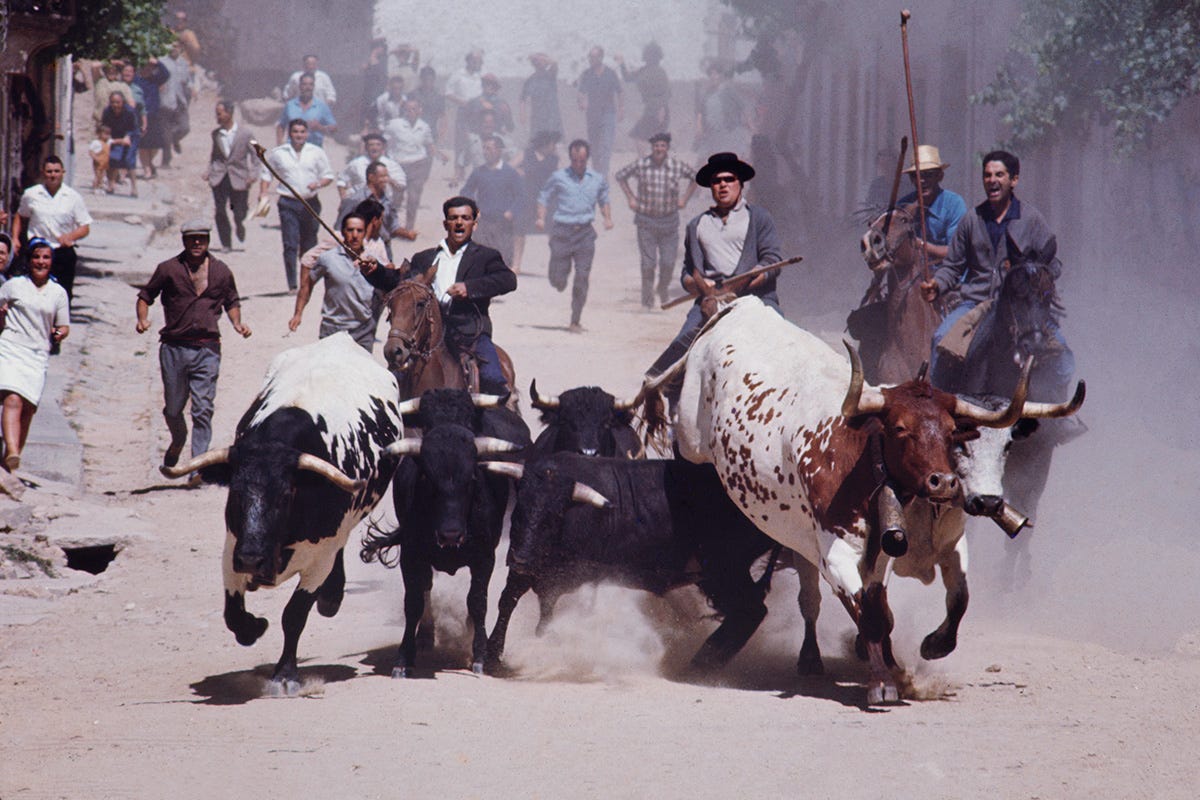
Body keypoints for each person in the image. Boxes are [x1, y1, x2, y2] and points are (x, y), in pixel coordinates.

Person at [920, 150, 1072, 398]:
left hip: (1021, 306)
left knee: (1062, 354)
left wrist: (1035, 274)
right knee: (939, 340)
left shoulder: (1031, 219)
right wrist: (937, 285)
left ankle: (1059, 413)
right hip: (975, 303)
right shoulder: (972, 219)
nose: (992, 180)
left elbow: (1054, 265)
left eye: (999, 175)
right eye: (987, 175)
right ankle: (940, 407)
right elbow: (952, 266)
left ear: (1014, 180)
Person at [645, 152, 783, 377]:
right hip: (709, 302)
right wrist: (700, 286)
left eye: (729, 179)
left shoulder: (759, 218)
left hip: (756, 299)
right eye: (717, 181)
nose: (723, 185)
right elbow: (688, 273)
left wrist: (746, 281)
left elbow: (772, 262)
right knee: (681, 349)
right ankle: (660, 401)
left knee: (784, 341)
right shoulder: (697, 225)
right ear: (710, 187)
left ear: (741, 184)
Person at [362, 196, 516, 397]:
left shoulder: (485, 256)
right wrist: (376, 271)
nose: (459, 222)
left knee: (493, 379)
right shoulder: (424, 258)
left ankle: (498, 422)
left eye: (465, 218)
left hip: (470, 334)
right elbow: (400, 283)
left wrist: (469, 288)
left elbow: (508, 279)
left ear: (474, 224)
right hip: (427, 334)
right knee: (393, 383)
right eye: (453, 218)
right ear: (446, 223)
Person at [135, 221, 251, 473]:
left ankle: (197, 467)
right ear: (184, 241)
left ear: (208, 240)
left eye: (201, 238)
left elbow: (232, 300)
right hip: (174, 349)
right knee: (174, 407)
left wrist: (237, 323)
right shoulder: (168, 269)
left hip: (207, 349)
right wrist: (142, 319)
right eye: (192, 239)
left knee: (203, 408)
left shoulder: (221, 271)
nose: (197, 243)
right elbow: (145, 296)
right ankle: (178, 440)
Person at [0, 239, 69, 491]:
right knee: (13, 400)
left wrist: (60, 333)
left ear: (51, 262)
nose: (41, 262)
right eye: (37, 257)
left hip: (38, 353)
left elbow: (64, 324)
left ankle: (9, 459)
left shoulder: (57, 292)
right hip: (11, 347)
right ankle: (13, 449)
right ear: (29, 261)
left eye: (46, 258)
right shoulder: (13, 286)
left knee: (28, 407)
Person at [536, 139, 613, 332]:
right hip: (562, 231)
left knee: (582, 276)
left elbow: (604, 199)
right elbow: (544, 196)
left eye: (582, 160)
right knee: (558, 280)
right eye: (575, 160)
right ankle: (557, 277)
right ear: (570, 159)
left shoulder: (597, 179)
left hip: (585, 233)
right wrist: (541, 218)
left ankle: (575, 320)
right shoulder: (559, 177)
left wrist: (607, 218)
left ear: (587, 159)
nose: (578, 164)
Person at [615, 132, 697, 308]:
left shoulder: (676, 166)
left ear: (667, 148)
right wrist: (631, 197)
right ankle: (647, 300)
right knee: (648, 263)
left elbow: (695, 178)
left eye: (662, 146)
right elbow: (621, 176)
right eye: (656, 146)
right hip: (646, 221)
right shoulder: (642, 164)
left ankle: (662, 287)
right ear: (652, 147)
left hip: (669, 221)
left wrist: (684, 199)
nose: (659, 149)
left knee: (668, 262)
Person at [259, 119, 334, 291]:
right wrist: (263, 192)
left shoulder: (316, 152)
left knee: (309, 244)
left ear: (307, 134)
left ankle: (307, 282)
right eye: (295, 132)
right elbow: (266, 174)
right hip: (288, 203)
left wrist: (319, 183)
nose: (299, 135)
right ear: (289, 133)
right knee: (290, 243)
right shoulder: (279, 153)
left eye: (302, 132)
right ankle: (292, 284)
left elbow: (328, 175)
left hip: (310, 203)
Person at [290, 213, 382, 351]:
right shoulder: (328, 259)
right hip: (332, 329)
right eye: (350, 230)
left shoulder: (373, 261)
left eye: (359, 230)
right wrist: (298, 314)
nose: (355, 235)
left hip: (363, 331)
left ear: (365, 232)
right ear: (343, 232)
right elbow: (307, 285)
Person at [14, 156, 92, 304]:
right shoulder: (32, 194)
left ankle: (59, 326)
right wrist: (15, 238)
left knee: (62, 294)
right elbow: (20, 215)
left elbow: (85, 227)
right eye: (49, 171)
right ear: (43, 173)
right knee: (33, 293)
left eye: (56, 171)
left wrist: (70, 236)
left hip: (61, 252)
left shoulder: (73, 197)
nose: (53, 175)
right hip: (38, 251)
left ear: (63, 172)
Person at [897, 144, 967, 265]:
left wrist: (921, 245)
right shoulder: (903, 206)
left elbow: (956, 252)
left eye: (928, 174)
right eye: (916, 175)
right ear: (911, 179)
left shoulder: (954, 205)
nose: (922, 180)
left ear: (940, 176)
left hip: (947, 272)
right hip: (912, 274)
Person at [385, 98, 446, 231]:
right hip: (399, 165)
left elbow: (429, 145)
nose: (411, 112)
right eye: (408, 109)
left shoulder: (424, 127)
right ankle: (392, 225)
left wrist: (440, 155)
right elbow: (385, 141)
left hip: (417, 165)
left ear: (420, 111)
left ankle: (409, 227)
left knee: (413, 197)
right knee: (396, 198)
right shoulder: (394, 125)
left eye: (414, 109)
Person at [461, 135, 524, 267]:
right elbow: (466, 191)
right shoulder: (479, 172)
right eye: (484, 148)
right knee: (480, 259)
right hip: (483, 223)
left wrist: (512, 212)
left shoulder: (510, 173)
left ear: (499, 150)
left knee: (503, 260)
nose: (485, 152)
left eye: (489, 148)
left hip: (503, 224)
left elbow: (520, 196)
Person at [206, 99, 257, 252]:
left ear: (229, 113)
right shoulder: (216, 134)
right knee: (220, 210)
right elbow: (214, 155)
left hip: (239, 176)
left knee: (239, 210)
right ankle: (226, 243)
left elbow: (256, 156)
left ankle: (239, 224)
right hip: (220, 177)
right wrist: (209, 171)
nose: (218, 117)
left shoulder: (246, 133)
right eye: (217, 114)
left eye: (220, 114)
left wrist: (253, 174)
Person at [510, 130, 560, 272]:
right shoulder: (527, 154)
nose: (554, 147)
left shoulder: (554, 158)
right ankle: (516, 264)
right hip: (527, 197)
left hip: (548, 201)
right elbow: (509, 167)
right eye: (553, 144)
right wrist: (519, 173)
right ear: (546, 143)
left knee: (552, 232)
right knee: (519, 231)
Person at [576, 47, 622, 176]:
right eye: (590, 57)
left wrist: (621, 109)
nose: (591, 59)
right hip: (592, 114)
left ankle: (603, 175)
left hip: (608, 113)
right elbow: (581, 92)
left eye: (594, 57)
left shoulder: (610, 73)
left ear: (601, 57)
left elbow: (620, 91)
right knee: (594, 147)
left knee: (606, 145)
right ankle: (597, 172)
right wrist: (581, 102)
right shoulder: (587, 74)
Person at [616, 43, 670, 148]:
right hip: (650, 110)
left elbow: (666, 93)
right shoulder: (643, 70)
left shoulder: (660, 72)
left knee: (644, 137)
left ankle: (649, 161)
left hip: (659, 111)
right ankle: (647, 161)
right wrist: (622, 63)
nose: (649, 58)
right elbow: (627, 77)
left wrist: (662, 109)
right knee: (640, 137)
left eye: (652, 55)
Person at [446, 50, 485, 182]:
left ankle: (478, 172)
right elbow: (448, 92)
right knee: (461, 142)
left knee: (476, 141)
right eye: (475, 61)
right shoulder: (458, 74)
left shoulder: (481, 76)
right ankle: (458, 172)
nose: (478, 63)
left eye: (480, 61)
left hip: (479, 113)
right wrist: (463, 102)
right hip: (464, 111)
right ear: (468, 61)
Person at [337, 132, 406, 200]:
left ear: (383, 147)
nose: (374, 148)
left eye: (378, 145)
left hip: (382, 204)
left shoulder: (392, 165)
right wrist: (343, 196)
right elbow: (342, 179)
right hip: (359, 203)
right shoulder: (357, 163)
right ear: (366, 147)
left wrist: (388, 179)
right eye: (371, 145)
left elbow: (401, 186)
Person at [276, 73, 337, 148]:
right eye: (304, 84)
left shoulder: (322, 107)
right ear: (300, 86)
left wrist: (320, 127)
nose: (308, 87)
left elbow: (334, 129)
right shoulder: (290, 105)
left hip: (314, 149)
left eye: (311, 84)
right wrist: (279, 144)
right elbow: (281, 125)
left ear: (314, 87)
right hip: (292, 148)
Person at [133, 58, 169, 179]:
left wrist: (157, 62)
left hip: (154, 115)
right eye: (145, 66)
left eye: (150, 67)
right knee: (143, 145)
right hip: (140, 116)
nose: (148, 69)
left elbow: (166, 74)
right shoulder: (136, 80)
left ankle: (149, 163)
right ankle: (146, 169)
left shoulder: (155, 80)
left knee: (155, 145)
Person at [101, 92, 139, 197]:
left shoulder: (129, 111)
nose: (115, 105)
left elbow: (134, 127)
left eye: (118, 102)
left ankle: (134, 188)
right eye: (113, 102)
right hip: (114, 135)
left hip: (130, 135)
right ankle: (111, 185)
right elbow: (104, 125)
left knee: (129, 160)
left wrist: (127, 137)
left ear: (123, 102)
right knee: (113, 158)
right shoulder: (107, 111)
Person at [520, 53, 563, 137]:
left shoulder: (551, 75)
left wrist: (540, 57)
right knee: (538, 142)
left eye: (541, 61)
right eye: (536, 61)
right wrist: (522, 114)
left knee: (555, 142)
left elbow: (554, 63)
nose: (539, 63)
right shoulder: (530, 80)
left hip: (552, 117)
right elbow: (522, 98)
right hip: (537, 118)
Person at [89, 124, 112, 193]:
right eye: (105, 134)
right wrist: (95, 158)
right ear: (99, 134)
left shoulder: (108, 142)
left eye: (108, 134)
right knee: (97, 175)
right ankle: (95, 188)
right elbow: (91, 152)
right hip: (98, 162)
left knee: (103, 175)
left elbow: (115, 141)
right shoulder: (96, 142)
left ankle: (100, 187)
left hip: (105, 162)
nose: (107, 136)